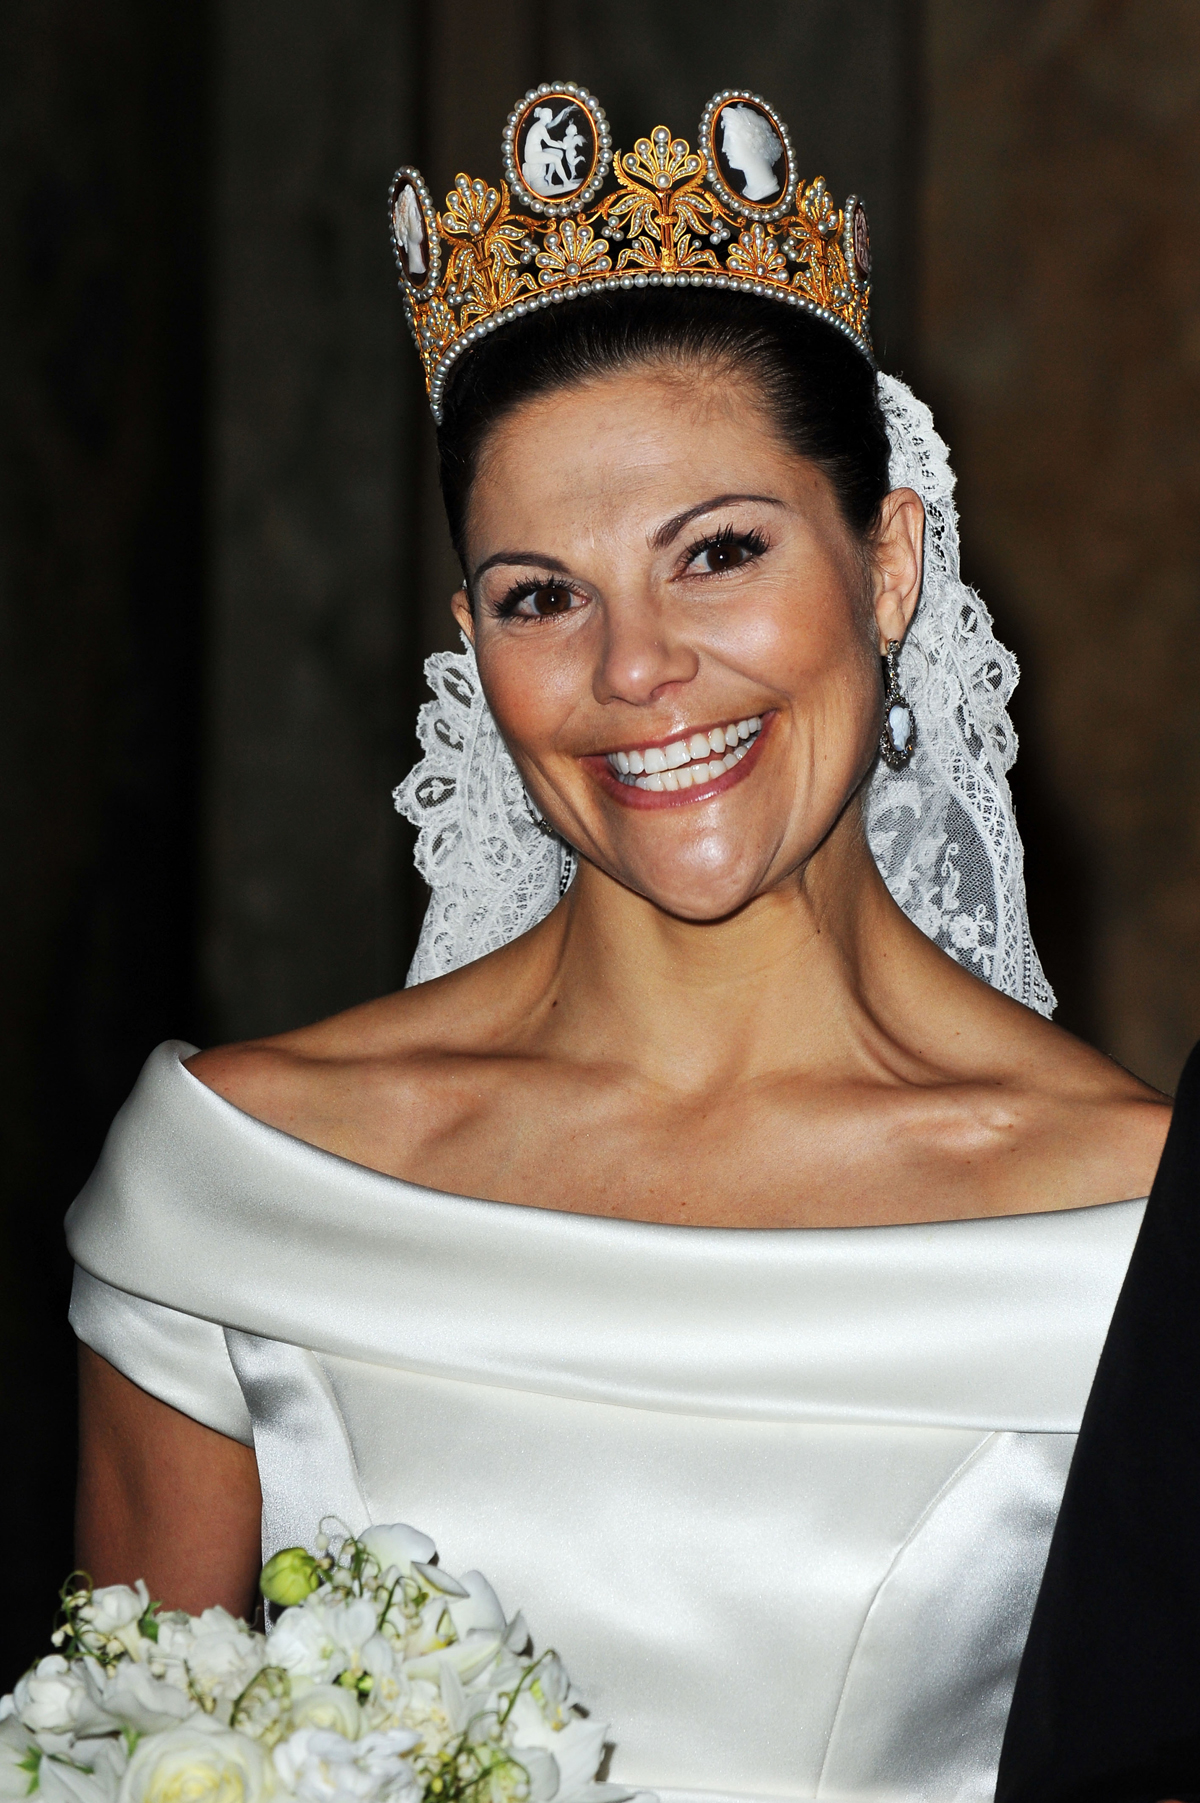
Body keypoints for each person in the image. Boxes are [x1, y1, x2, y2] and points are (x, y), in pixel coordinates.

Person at [67, 88, 1174, 1803]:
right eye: (540, 594)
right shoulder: (237, 1186)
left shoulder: (1129, 1239)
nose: (632, 668)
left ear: (886, 567)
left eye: (717, 553)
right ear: (471, 642)